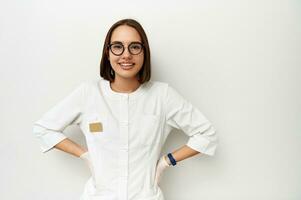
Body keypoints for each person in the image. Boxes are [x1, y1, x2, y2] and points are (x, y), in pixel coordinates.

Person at [33, 18, 218, 200]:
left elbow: (206, 134)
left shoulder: (163, 95)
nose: (126, 55)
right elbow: (44, 128)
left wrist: (165, 162)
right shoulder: (88, 93)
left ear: (144, 52)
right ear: (108, 53)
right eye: (117, 46)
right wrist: (86, 155)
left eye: (135, 47)